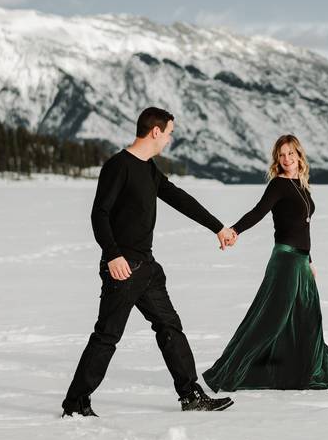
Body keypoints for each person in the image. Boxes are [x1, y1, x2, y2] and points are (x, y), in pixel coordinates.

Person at [62, 107, 238, 416]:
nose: (170, 139)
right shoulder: (119, 166)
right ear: (155, 131)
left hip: (147, 267)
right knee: (107, 336)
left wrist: (218, 227)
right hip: (124, 267)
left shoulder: (148, 168)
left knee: (170, 326)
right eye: (169, 132)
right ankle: (75, 403)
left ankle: (190, 395)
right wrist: (112, 254)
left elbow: (179, 198)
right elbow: (99, 214)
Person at [202, 134, 328, 391]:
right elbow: (257, 212)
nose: (286, 159)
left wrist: (310, 259)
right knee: (269, 320)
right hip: (284, 260)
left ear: (299, 155)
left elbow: (303, 228)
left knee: (306, 319)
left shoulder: (302, 186)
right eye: (281, 155)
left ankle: (302, 371)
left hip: (301, 261)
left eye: (290, 154)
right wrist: (234, 230)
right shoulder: (278, 185)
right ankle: (231, 371)